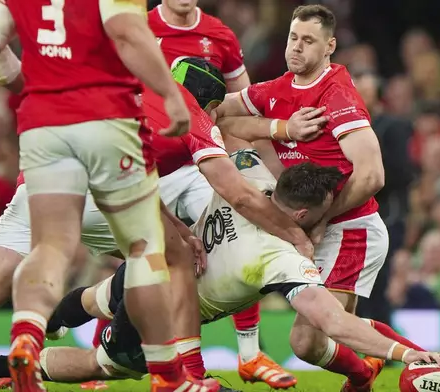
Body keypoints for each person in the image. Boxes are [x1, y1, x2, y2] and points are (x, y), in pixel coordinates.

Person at [0, 58, 313, 390]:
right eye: (216, 110)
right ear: (211, 104)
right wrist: (295, 235)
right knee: (178, 260)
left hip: (38, 184)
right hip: (91, 189)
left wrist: (178, 228)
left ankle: (13, 342)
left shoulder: (135, 87)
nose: (216, 118)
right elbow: (239, 194)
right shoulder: (191, 114)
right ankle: (190, 377)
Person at [0, 158, 440, 386]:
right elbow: (336, 323)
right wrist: (408, 353)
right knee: (108, 366)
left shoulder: (249, 175)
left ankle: (43, 323)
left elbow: (234, 137)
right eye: (327, 210)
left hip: (152, 263)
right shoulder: (280, 258)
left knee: (98, 295)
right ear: (301, 215)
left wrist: (281, 129)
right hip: (163, 317)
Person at [0, 0, 217, 390]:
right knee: (148, 252)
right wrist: (169, 92)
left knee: (50, 247)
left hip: (43, 122)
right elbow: (128, 33)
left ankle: (27, 338)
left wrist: (30, 87)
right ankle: (170, 377)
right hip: (103, 119)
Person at [212, 5, 388, 391]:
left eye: (308, 41)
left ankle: (416, 364)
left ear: (330, 46)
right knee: (332, 331)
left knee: (307, 340)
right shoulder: (278, 89)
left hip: (350, 228)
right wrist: (280, 127)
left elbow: (373, 174)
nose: (296, 47)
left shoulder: (337, 96)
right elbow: (219, 115)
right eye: (294, 37)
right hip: (314, 224)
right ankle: (365, 375)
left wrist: (323, 218)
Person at [142, 3, 279, 387]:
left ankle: (250, 353)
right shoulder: (139, 27)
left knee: (234, 233)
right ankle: (106, 343)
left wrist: (239, 156)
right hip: (151, 161)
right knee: (142, 253)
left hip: (201, 157)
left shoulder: (220, 35)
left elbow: (242, 101)